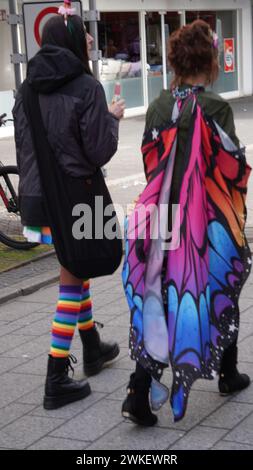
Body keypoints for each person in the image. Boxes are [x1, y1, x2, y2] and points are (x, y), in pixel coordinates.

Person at [121, 20, 252, 426]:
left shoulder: (159, 106)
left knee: (159, 300)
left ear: (176, 62)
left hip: (161, 218)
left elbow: (149, 162)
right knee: (219, 290)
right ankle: (227, 374)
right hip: (204, 223)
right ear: (210, 61)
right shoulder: (215, 107)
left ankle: (139, 391)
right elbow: (230, 171)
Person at [13, 4, 125, 410]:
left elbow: (27, 147)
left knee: (75, 271)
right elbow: (98, 150)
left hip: (37, 202)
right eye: (87, 37)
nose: (91, 43)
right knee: (71, 283)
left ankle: (92, 345)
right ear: (74, 42)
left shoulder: (26, 88)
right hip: (74, 201)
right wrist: (111, 118)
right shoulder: (85, 87)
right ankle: (55, 377)